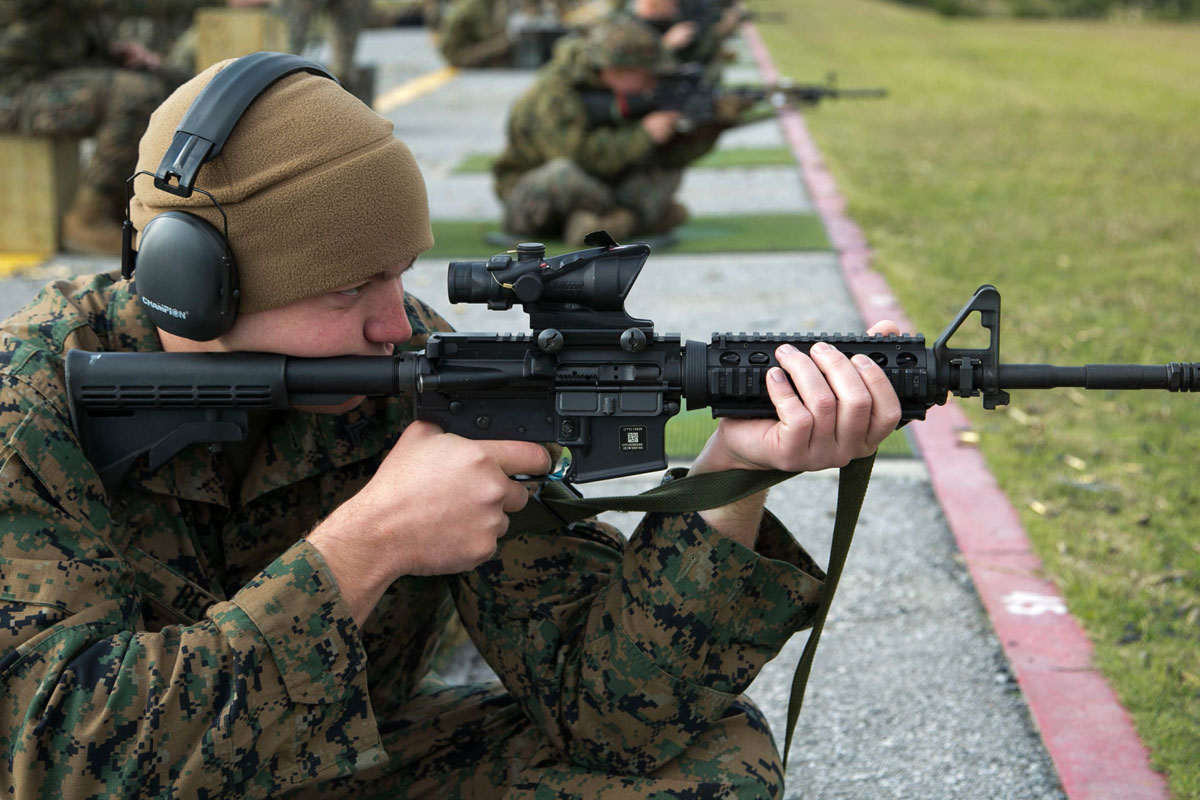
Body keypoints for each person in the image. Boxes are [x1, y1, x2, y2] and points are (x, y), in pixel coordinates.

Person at [0, 55, 902, 797]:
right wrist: (367, 546)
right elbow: (66, 763)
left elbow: (610, 715)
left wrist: (734, 466)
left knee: (709, 765)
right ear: (194, 285)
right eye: (351, 287)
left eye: (401, 275)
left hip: (336, 763)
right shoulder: (27, 405)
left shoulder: (416, 366)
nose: (396, 324)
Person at [0, 0, 266, 256]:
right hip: (13, 94)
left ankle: (126, 206)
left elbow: (57, 37)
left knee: (158, 83)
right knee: (133, 94)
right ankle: (88, 218)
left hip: (43, 80)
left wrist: (112, 55)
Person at [493, 16, 732, 246]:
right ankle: (628, 220)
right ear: (616, 71)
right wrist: (643, 135)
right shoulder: (553, 94)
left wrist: (709, 128)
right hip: (535, 197)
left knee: (665, 169)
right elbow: (575, 156)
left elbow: (669, 157)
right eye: (646, 75)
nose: (652, 83)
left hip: (600, 189)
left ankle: (605, 225)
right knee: (563, 174)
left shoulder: (622, 92)